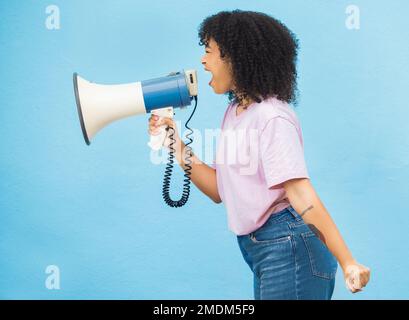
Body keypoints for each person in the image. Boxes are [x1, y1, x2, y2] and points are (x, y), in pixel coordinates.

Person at [148, 10, 370, 300]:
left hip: (289, 247)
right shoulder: (235, 113)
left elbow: (301, 194)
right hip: (264, 249)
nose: (203, 61)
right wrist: (174, 144)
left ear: (236, 57)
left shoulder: (272, 117)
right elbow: (219, 190)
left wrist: (347, 262)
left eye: (209, 51)